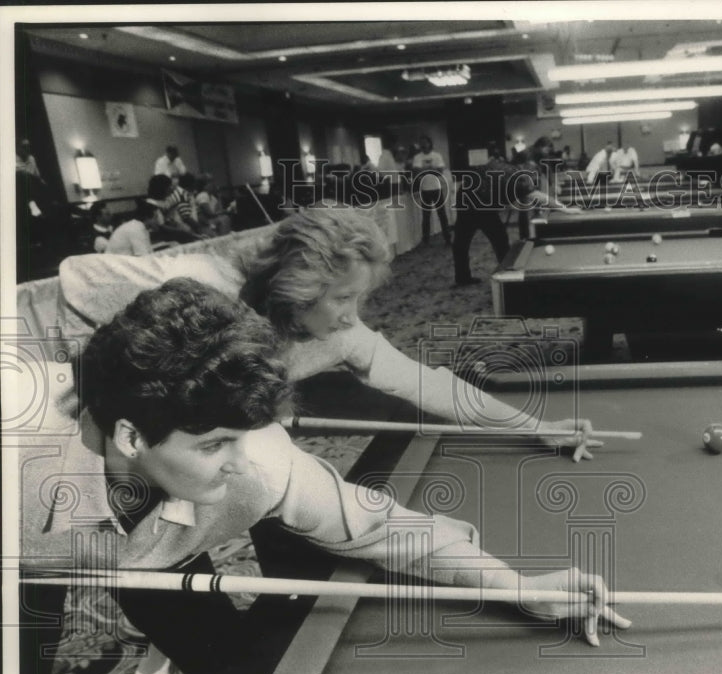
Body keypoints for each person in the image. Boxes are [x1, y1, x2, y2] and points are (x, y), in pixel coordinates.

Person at [20, 278, 629, 674]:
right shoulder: (19, 467)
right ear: (131, 436)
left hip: (153, 546)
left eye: (243, 434)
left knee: (231, 670)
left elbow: (383, 528)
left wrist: (519, 586)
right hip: (31, 544)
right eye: (214, 444)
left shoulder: (258, 464)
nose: (240, 458)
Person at [58, 208, 602, 461]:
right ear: (299, 287)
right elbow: (76, 278)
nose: (352, 314)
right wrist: (100, 385)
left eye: (359, 298)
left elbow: (428, 384)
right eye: (343, 297)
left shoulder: (339, 334)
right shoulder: (201, 284)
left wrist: (534, 426)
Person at [451, 144, 579, 288]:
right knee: (499, 239)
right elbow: (536, 196)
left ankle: (464, 276)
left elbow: (510, 194)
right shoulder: (517, 175)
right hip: (477, 202)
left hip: (466, 197)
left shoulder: (504, 165)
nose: (533, 171)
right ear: (523, 163)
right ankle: (508, 275)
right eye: (531, 167)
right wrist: (565, 209)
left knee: (462, 243)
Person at [409, 135, 452, 245]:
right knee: (426, 216)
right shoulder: (417, 157)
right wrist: (431, 169)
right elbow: (416, 172)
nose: (423, 145)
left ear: (429, 143)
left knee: (442, 215)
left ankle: (447, 238)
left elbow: (440, 171)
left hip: (436, 188)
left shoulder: (437, 155)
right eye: (421, 142)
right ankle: (426, 240)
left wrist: (424, 170)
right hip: (424, 189)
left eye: (425, 142)